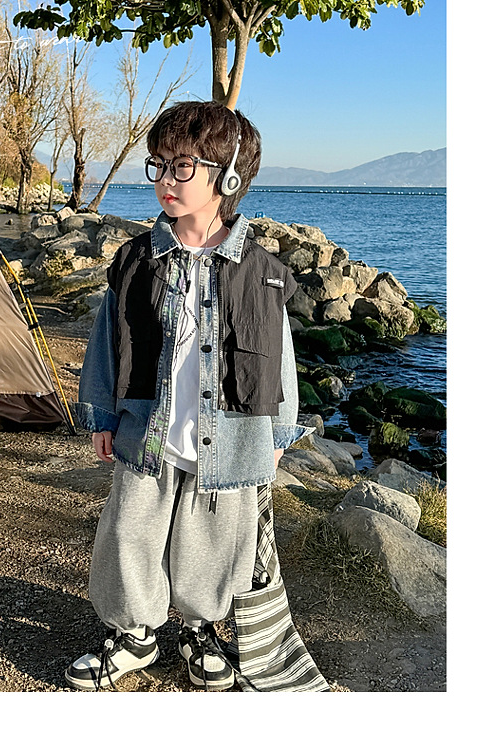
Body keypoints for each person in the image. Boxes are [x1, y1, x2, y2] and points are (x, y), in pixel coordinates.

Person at [66, 100, 311, 692]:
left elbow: (279, 358)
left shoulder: (261, 270)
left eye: (182, 166)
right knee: (129, 536)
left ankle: (200, 628)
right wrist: (102, 415)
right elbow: (106, 342)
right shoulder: (136, 261)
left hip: (230, 441)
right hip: (148, 431)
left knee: (214, 545)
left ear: (226, 178)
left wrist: (278, 435)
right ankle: (134, 634)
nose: (166, 180)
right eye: (159, 165)